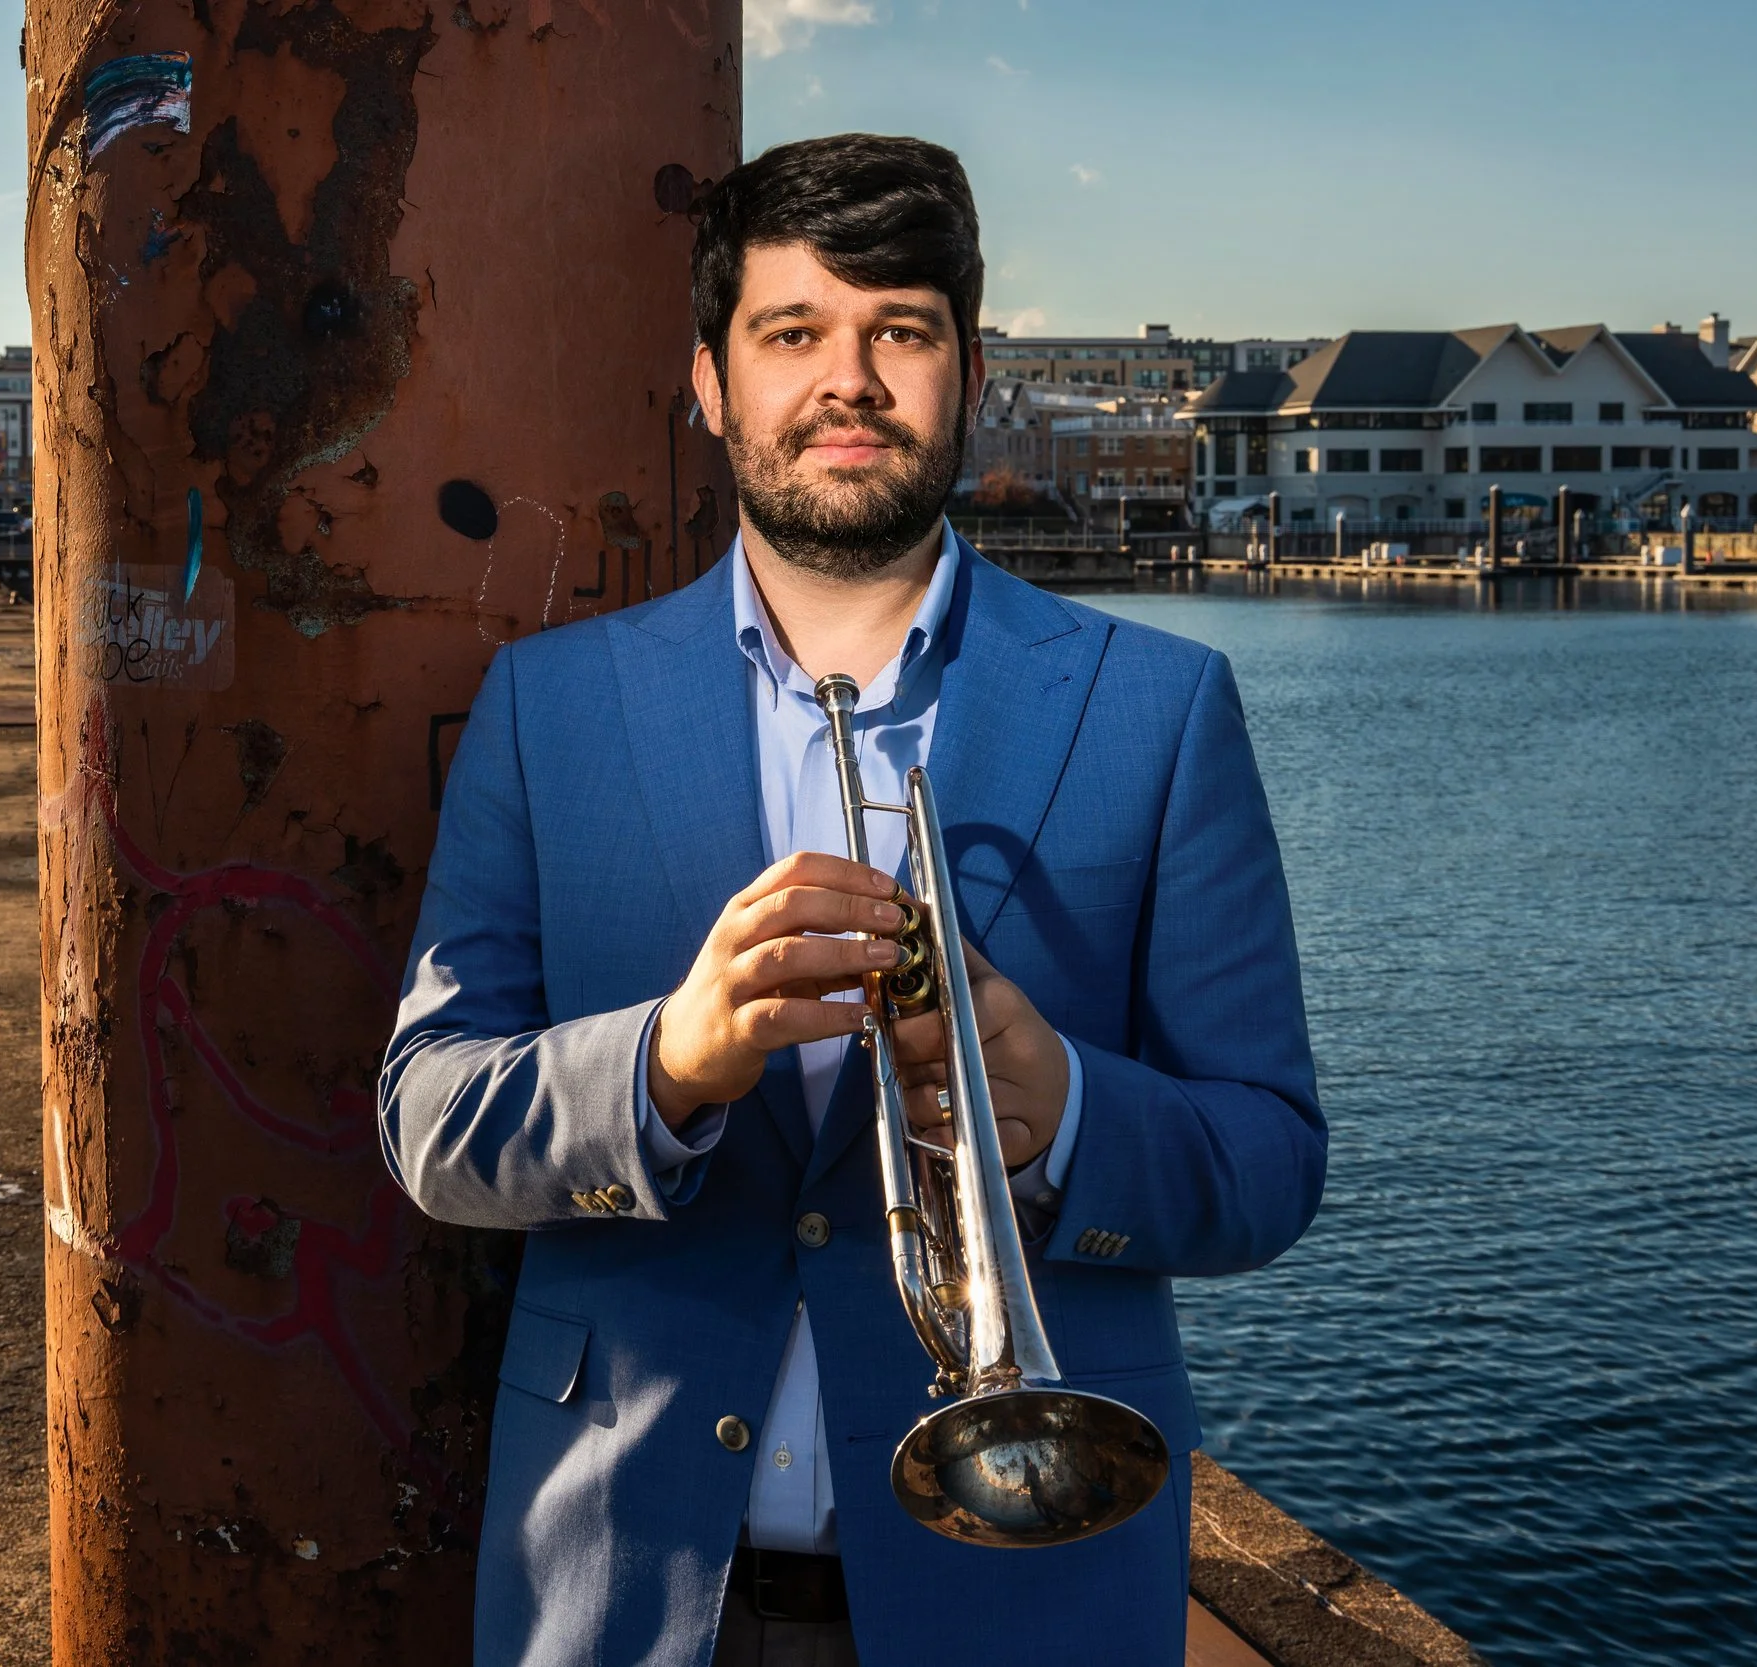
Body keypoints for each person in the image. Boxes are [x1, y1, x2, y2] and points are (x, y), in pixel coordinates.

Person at [380, 133, 1324, 1667]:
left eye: (902, 330)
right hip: (625, 1585)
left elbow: (1272, 1159)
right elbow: (428, 1120)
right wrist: (667, 1064)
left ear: (969, 369)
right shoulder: (548, 708)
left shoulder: (1163, 707)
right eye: (793, 333)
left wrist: (1065, 1109)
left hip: (1033, 1593)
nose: (852, 379)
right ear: (711, 384)